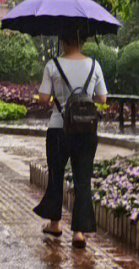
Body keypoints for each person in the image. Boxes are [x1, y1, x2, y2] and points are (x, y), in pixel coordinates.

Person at [32, 23, 107, 248]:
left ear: (62, 42)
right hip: (86, 130)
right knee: (83, 178)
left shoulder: (52, 65)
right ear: (82, 41)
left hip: (58, 129)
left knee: (56, 175)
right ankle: (79, 233)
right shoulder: (94, 65)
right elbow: (102, 98)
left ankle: (55, 224)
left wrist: (60, 99)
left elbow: (44, 98)